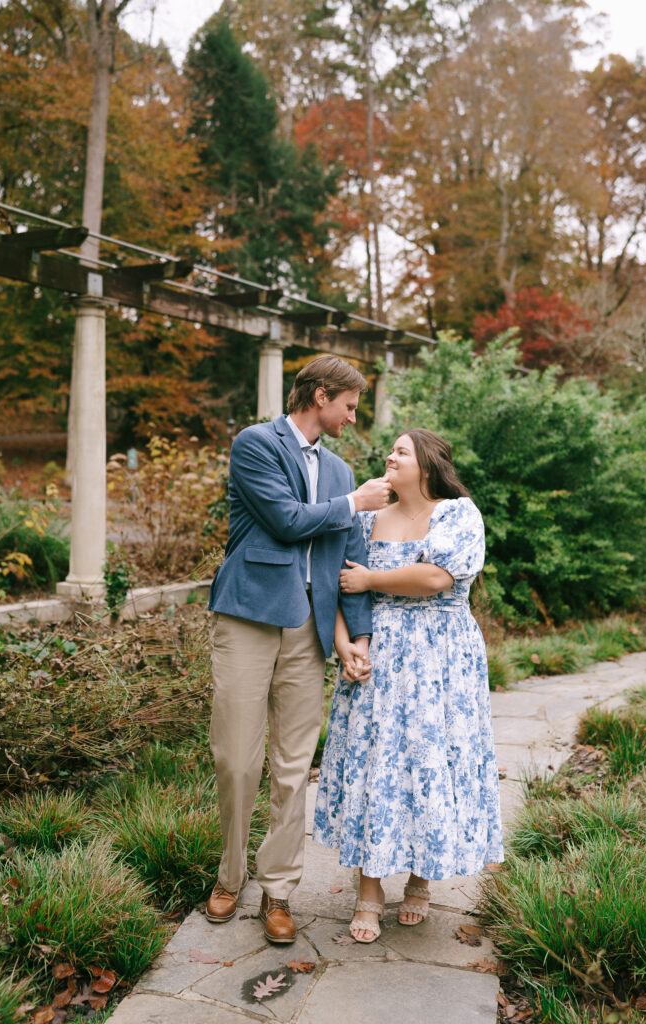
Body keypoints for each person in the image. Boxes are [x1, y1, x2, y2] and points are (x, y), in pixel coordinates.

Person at [206, 355, 390, 945]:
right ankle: (229, 874)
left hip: (311, 629)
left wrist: (357, 635)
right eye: (349, 406)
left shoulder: (341, 473)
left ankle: (278, 891)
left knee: (293, 768)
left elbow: (346, 561)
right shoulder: (256, 443)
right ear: (318, 395)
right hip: (249, 615)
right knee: (236, 757)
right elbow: (286, 520)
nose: (352, 418)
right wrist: (356, 504)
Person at [313, 428, 504, 942]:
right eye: (391, 450)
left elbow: (438, 578)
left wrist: (373, 580)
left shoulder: (459, 513)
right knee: (378, 763)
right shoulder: (367, 519)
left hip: (443, 659)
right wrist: (344, 643)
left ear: (428, 461)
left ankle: (420, 880)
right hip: (377, 653)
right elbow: (336, 584)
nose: (389, 457)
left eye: (400, 451)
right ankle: (369, 890)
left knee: (432, 760)